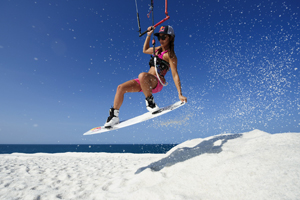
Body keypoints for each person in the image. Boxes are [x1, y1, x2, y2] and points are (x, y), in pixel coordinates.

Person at [104, 25, 187, 128]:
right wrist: (148, 35)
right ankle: (114, 117)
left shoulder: (171, 55)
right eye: (159, 37)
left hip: (156, 83)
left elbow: (175, 75)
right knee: (120, 88)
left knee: (142, 75)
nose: (161, 40)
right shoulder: (157, 50)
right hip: (145, 82)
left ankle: (151, 103)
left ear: (170, 38)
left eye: (163, 37)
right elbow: (145, 50)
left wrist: (180, 94)